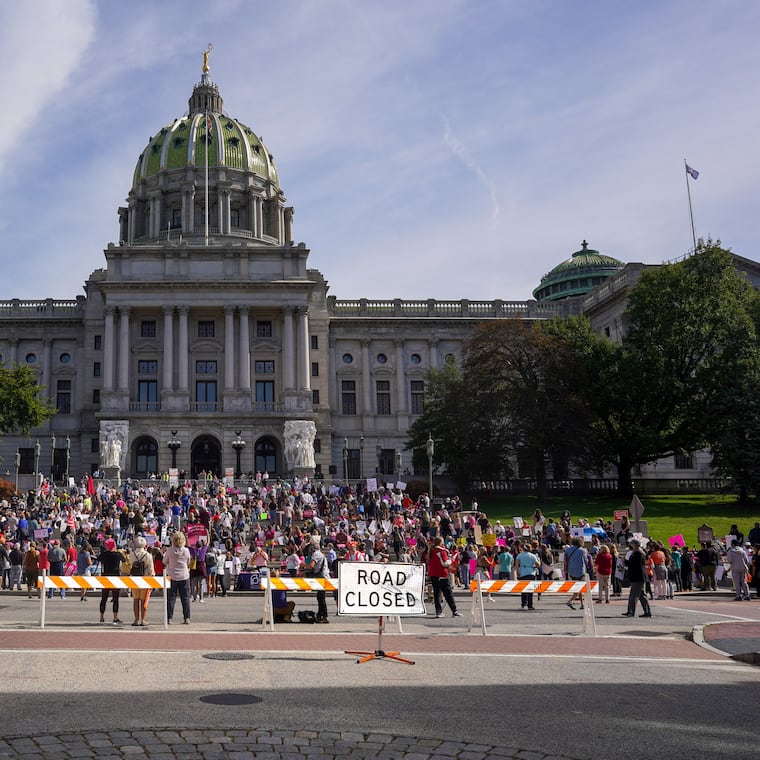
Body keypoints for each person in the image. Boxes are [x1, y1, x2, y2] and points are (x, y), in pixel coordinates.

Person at [426, 536, 461, 618]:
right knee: (448, 594)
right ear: (441, 543)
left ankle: (438, 611)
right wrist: (452, 559)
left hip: (434, 574)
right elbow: (445, 563)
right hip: (442, 574)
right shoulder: (442, 551)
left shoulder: (431, 551)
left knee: (437, 594)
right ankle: (454, 610)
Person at [163, 531, 191, 624]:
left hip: (172, 576)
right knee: (185, 598)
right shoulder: (186, 551)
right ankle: (186, 617)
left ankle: (169, 618)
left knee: (171, 598)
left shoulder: (170, 550)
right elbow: (188, 562)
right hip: (184, 575)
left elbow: (164, 561)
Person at [129, 536, 155, 625]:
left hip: (134, 579)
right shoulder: (148, 555)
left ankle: (136, 619)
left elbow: (130, 565)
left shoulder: (132, 554)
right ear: (145, 545)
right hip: (145, 579)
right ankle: (143, 620)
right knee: (144, 600)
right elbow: (151, 570)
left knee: (136, 599)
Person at [622, 539, 651, 618]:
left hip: (637, 577)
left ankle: (631, 611)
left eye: (631, 544)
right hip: (639, 576)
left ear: (634, 545)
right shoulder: (639, 553)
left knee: (634, 595)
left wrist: (627, 563)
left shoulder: (637, 554)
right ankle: (647, 611)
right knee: (641, 595)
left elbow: (635, 564)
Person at [303, 539, 330, 623]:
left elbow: (311, 565)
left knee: (321, 598)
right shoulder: (320, 554)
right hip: (323, 576)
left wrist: (304, 566)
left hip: (322, 577)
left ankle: (324, 615)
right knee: (320, 597)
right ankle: (320, 614)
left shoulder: (316, 554)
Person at [97, 538, 123, 624]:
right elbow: (124, 560)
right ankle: (115, 617)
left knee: (104, 598)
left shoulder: (104, 554)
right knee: (115, 598)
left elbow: (98, 559)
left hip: (105, 577)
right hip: (115, 577)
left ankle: (101, 617)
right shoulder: (118, 554)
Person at [563, 537, 588, 610]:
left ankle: (582, 603)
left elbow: (565, 561)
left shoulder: (567, 550)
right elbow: (586, 561)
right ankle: (570, 601)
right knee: (579, 587)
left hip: (571, 570)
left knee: (577, 586)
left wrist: (565, 570)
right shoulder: (582, 551)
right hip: (580, 570)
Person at [515, 542, 539, 610]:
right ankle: (530, 605)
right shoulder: (533, 555)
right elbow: (537, 564)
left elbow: (516, 565)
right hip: (531, 572)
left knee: (523, 589)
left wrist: (517, 572)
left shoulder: (519, 555)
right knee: (530, 589)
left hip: (522, 572)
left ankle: (523, 603)